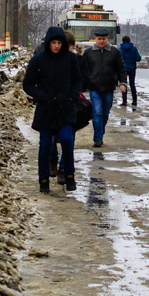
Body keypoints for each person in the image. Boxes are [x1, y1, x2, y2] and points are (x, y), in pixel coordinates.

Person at [22, 26, 83, 193]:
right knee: (45, 146)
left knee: (67, 140)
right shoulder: (38, 60)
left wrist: (72, 95)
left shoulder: (70, 59)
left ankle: (69, 176)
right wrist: (41, 96)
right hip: (46, 109)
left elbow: (78, 80)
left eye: (59, 42)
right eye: (53, 42)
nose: (56, 46)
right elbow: (27, 84)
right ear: (48, 43)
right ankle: (43, 181)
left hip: (65, 108)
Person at [82, 32, 128, 147]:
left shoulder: (115, 52)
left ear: (107, 39)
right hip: (94, 88)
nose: (101, 41)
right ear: (95, 39)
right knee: (97, 113)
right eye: (99, 39)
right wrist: (84, 83)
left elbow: (121, 68)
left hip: (108, 88)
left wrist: (123, 83)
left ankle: (100, 132)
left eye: (103, 39)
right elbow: (84, 70)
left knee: (105, 114)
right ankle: (97, 139)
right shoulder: (88, 53)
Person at [119, 35, 142, 107]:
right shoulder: (134, 49)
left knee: (123, 84)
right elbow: (138, 58)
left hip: (123, 69)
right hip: (132, 68)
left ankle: (124, 101)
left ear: (122, 41)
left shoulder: (120, 49)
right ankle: (134, 101)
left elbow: (118, 59)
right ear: (129, 40)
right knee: (132, 84)